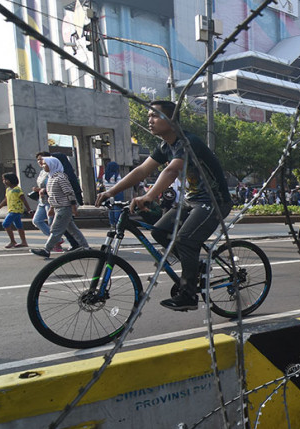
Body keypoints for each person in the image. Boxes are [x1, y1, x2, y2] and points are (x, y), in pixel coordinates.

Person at [96, 99, 232, 311]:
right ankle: (195, 267)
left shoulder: (188, 142)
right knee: (159, 232)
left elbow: (171, 171)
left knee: (185, 240)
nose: (149, 120)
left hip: (215, 202)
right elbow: (141, 171)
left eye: (155, 116)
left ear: (171, 119)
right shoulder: (164, 146)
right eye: (148, 116)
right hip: (193, 201)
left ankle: (188, 296)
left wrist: (148, 196)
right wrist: (110, 192)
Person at [30, 157, 90, 257]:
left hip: (64, 208)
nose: (43, 166)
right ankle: (86, 247)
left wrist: (73, 207)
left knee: (56, 229)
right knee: (73, 229)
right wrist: (52, 208)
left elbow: (69, 192)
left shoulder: (60, 177)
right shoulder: (51, 177)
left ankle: (47, 249)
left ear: (52, 164)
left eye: (45, 164)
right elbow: (53, 195)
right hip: (58, 207)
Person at [0, 172, 31, 249]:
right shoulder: (8, 190)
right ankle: (24, 242)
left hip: (15, 211)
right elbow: (5, 200)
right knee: (19, 226)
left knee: (5, 224)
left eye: (5, 179)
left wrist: (29, 209)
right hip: (12, 210)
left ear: (10, 180)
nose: (4, 181)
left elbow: (24, 199)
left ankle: (13, 241)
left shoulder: (17, 189)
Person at [102, 161, 125, 227]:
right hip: (116, 194)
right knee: (117, 209)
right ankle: (117, 223)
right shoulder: (117, 175)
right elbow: (120, 185)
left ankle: (112, 223)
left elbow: (104, 185)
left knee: (110, 209)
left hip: (108, 194)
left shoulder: (105, 176)